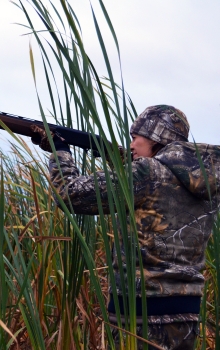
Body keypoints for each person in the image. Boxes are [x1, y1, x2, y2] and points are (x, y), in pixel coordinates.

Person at [31, 105, 220, 349]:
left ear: (156, 137)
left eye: (134, 138)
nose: (131, 145)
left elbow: (70, 194)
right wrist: (112, 155)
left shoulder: (147, 172)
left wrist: (60, 151)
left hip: (140, 316)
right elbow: (158, 183)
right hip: (186, 314)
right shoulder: (206, 184)